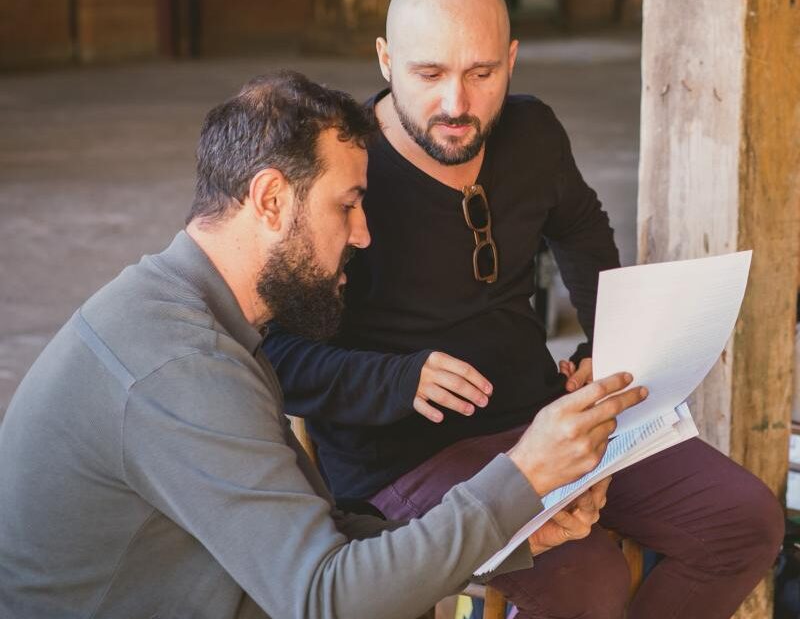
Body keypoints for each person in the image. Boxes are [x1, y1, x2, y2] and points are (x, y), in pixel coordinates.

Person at [0, 71, 648, 619]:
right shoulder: (178, 365)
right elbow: (324, 596)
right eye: (347, 206)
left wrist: (516, 525)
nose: (363, 235)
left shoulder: (194, 313)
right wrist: (520, 474)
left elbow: (324, 542)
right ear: (273, 200)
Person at [263, 0, 785, 618]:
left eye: (481, 72)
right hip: (405, 457)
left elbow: (583, 231)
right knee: (585, 579)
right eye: (428, 73)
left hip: (539, 417)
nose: (456, 103)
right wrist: (398, 379)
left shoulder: (531, 131)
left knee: (743, 521)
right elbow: (274, 357)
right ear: (385, 61)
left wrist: (606, 346)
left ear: (511, 59)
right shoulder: (340, 172)